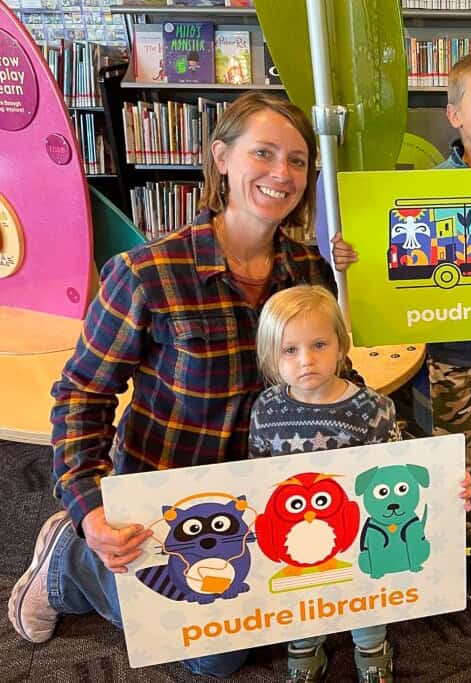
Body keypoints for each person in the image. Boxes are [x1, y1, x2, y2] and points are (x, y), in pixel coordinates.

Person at [8, 91, 349, 678]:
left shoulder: (312, 271)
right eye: (263, 153)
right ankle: (69, 559)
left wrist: (425, 469)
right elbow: (81, 395)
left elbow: (340, 384)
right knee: (220, 655)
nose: (282, 174)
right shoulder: (148, 273)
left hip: (269, 493)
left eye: (298, 161)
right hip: (169, 497)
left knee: (325, 609)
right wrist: (91, 509)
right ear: (221, 157)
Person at [334, 51, 471, 601]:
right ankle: (469, 535)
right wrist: (352, 260)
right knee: (457, 453)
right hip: (452, 356)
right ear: (454, 114)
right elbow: (396, 259)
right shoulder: (427, 189)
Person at [249, 285, 471, 683]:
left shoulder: (372, 408)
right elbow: (256, 475)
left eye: (319, 344)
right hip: (297, 534)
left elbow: (398, 472)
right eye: (290, 350)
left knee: (366, 597)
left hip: (359, 531)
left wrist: (445, 485)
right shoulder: (266, 409)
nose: (307, 360)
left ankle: (371, 650)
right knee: (303, 599)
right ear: (271, 357)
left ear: (341, 344)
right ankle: (304, 651)